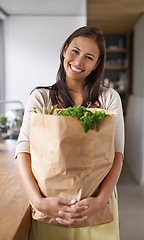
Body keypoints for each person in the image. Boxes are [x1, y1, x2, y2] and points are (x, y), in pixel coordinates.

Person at [15, 26, 124, 240]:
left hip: (96, 204)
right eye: (75, 51)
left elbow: (117, 153)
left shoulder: (109, 98)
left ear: (96, 64)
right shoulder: (41, 98)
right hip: (52, 205)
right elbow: (23, 150)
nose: (78, 61)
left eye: (89, 57)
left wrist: (101, 201)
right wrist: (38, 201)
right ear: (65, 50)